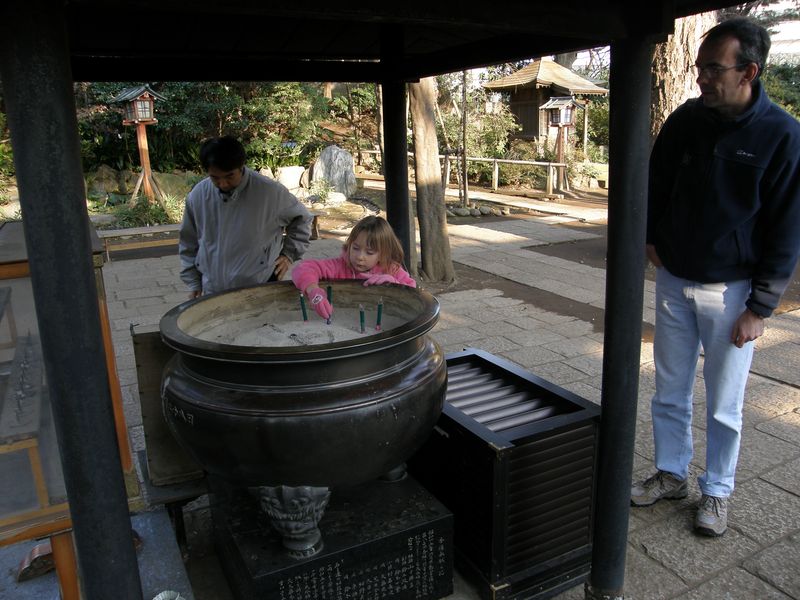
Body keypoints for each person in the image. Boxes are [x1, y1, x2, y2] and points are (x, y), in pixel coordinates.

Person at [631, 17, 800, 537]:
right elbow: (654, 183)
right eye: (699, 67)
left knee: (725, 403)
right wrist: (652, 240)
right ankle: (671, 473)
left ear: (749, 71)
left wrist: (761, 307)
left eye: (712, 69)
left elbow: (787, 226)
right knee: (669, 388)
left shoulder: (782, 135)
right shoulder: (686, 120)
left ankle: (717, 492)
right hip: (675, 281)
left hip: (734, 294)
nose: (701, 78)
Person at [179, 136, 313, 297]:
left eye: (229, 176)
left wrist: (289, 254)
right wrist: (193, 281)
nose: (222, 184)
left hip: (259, 284)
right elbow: (188, 241)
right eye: (215, 177)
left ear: (241, 167)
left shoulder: (269, 193)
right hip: (213, 288)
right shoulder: (198, 195)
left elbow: (302, 218)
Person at [292, 215, 416, 320]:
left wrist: (394, 285)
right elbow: (303, 268)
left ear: (383, 253)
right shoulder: (340, 266)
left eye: (369, 252)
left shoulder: (391, 269)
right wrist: (314, 291)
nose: (360, 257)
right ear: (349, 244)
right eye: (355, 248)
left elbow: (414, 296)